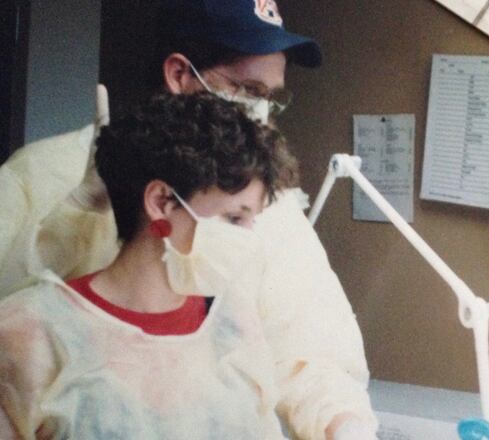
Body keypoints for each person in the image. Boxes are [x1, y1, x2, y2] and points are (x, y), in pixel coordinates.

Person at [0, 1, 378, 439]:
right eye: (248, 90)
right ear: (180, 74)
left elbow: (312, 348)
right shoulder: (43, 173)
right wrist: (73, 216)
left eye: (271, 98)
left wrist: (343, 423)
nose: (261, 112)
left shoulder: (269, 210)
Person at [0, 92, 295, 439]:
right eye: (233, 218)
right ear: (161, 202)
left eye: (251, 220)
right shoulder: (31, 335)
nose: (248, 239)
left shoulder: (235, 328)